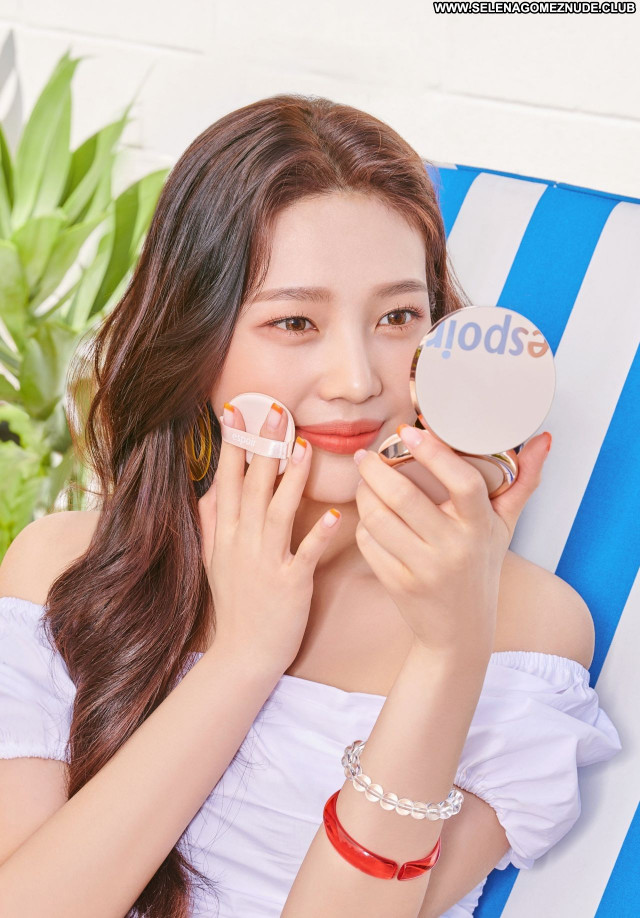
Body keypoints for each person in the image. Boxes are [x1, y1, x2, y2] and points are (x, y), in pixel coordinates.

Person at [0, 95, 622, 918]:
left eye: (398, 316)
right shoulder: (64, 571)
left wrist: (448, 653)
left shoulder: (521, 629)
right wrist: (243, 659)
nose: (357, 380)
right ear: (197, 344)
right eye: (295, 321)